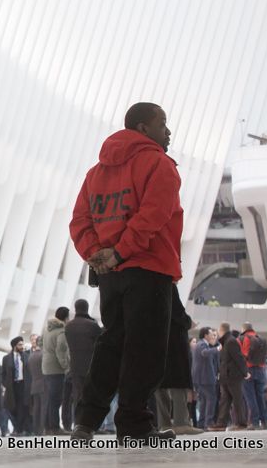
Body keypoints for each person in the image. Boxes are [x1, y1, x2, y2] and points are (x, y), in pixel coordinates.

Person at [69, 103, 181, 444]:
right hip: (148, 267)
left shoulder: (95, 173)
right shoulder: (159, 164)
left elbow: (80, 221)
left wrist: (98, 255)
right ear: (143, 128)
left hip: (111, 275)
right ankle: (134, 426)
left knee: (112, 344)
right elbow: (153, 215)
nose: (168, 131)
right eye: (162, 123)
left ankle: (85, 422)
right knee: (144, 349)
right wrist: (120, 252)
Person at [154, 288, 203, 435]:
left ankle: (164, 424)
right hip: (174, 344)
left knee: (160, 384)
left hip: (157, 341)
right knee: (178, 382)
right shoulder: (168, 286)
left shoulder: (147, 287)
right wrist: (189, 322)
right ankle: (181, 423)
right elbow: (177, 312)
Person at [208, 323, 250, 431]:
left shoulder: (231, 341)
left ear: (221, 330)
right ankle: (221, 424)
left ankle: (241, 423)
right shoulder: (226, 342)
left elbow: (239, 358)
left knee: (237, 400)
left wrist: (245, 372)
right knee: (225, 401)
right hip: (226, 376)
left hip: (233, 376)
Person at [65, 299, 101, 418]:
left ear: (75, 309)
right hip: (91, 365)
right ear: (87, 308)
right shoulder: (92, 325)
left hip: (75, 366)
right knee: (91, 395)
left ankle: (78, 421)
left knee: (77, 394)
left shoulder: (68, 326)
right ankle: (90, 421)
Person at [42, 307, 70, 435]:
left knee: (50, 398)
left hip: (46, 367)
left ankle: (48, 427)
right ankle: (55, 427)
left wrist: (48, 353)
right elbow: (61, 350)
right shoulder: (61, 331)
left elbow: (40, 342)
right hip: (56, 368)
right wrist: (66, 366)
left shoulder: (47, 329)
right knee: (56, 399)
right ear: (66, 317)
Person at [238, 322, 267, 429]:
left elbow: (242, 355)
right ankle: (264, 421)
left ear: (243, 329)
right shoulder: (261, 339)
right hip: (261, 370)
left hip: (248, 370)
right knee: (260, 396)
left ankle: (254, 422)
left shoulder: (243, 338)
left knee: (250, 397)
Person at [192, 327, 220, 429]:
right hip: (205, 378)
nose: (213, 336)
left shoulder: (201, 345)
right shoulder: (202, 345)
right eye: (211, 334)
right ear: (205, 335)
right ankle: (208, 423)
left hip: (202, 378)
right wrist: (217, 349)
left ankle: (202, 423)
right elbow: (204, 353)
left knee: (204, 401)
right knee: (211, 399)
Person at [2, 337, 30, 436]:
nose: (22, 346)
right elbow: (3, 373)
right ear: (14, 346)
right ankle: (17, 428)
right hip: (12, 387)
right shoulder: (6, 358)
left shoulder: (26, 356)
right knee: (11, 408)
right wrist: (6, 384)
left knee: (22, 408)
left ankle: (19, 429)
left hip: (23, 385)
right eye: (19, 345)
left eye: (22, 344)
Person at [27, 336, 45, 435]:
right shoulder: (43, 354)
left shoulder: (31, 356)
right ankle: (42, 429)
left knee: (36, 408)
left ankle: (36, 429)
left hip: (34, 385)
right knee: (43, 407)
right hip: (43, 384)